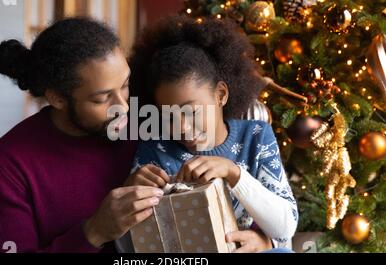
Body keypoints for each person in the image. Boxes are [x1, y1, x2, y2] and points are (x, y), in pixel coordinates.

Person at [0, 17, 163, 253]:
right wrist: (94, 231)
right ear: (57, 98)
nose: (123, 107)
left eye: (125, 85)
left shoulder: (145, 124)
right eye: (101, 98)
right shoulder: (7, 164)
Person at [122, 16, 298, 252]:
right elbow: (128, 247)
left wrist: (234, 174)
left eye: (192, 111)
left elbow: (285, 228)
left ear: (221, 94)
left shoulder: (256, 136)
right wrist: (130, 196)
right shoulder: (155, 149)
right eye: (169, 116)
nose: (182, 127)